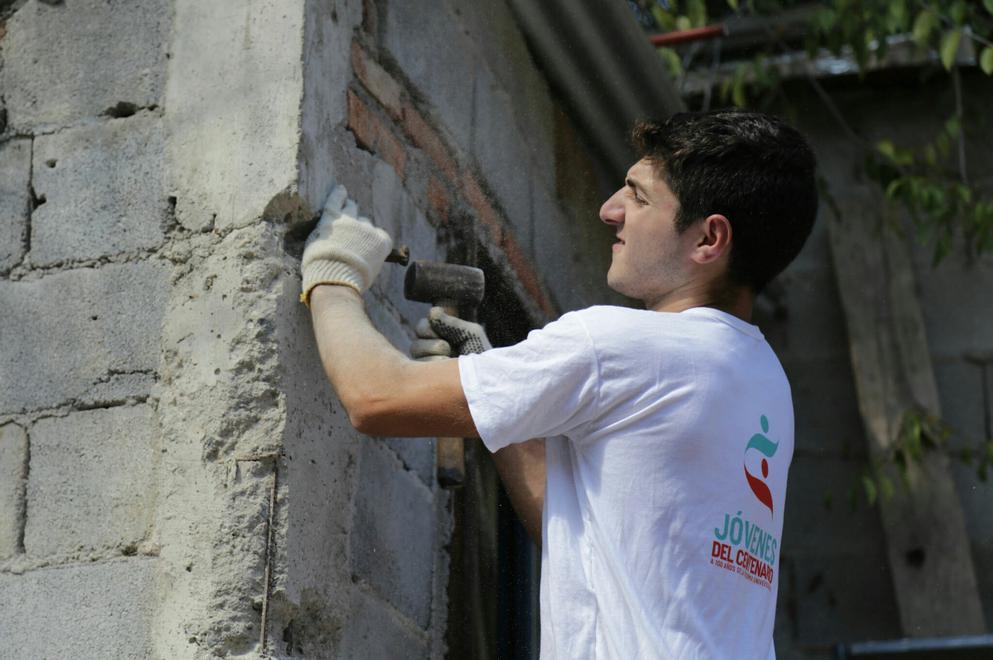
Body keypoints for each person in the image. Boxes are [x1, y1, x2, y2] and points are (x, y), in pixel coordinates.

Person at [302, 110, 818, 659]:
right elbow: (592, 540)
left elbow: (376, 397)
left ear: (708, 238)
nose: (610, 210)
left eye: (639, 197)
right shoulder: (764, 384)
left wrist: (335, 269)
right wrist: (495, 389)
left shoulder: (616, 344)